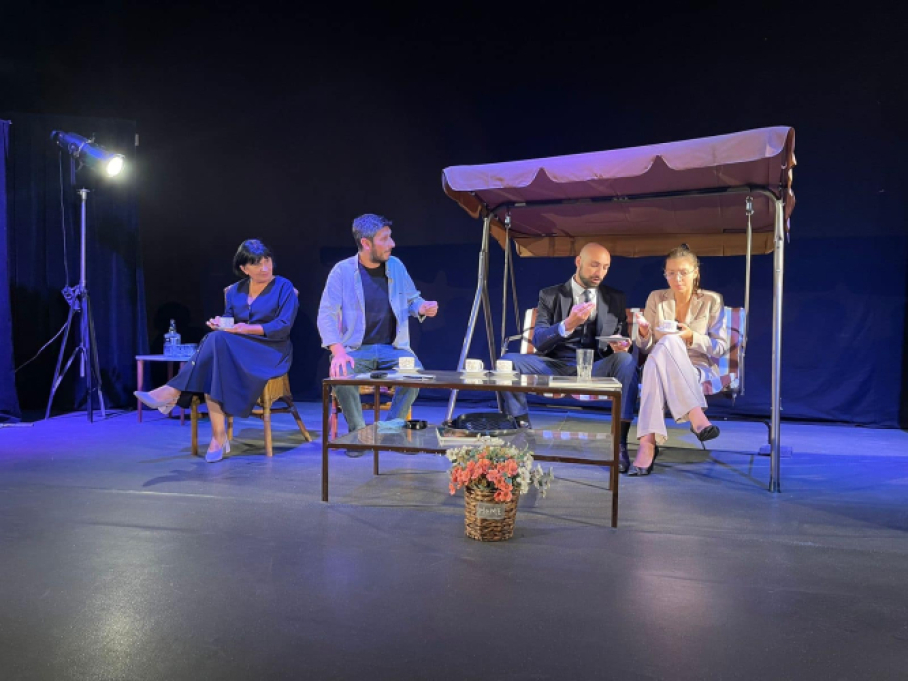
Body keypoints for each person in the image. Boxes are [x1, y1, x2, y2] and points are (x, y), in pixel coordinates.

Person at [134, 239, 298, 463]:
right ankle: (217, 436)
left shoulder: (283, 286)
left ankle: (174, 392)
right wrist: (220, 323)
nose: (265, 268)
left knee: (215, 346)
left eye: (267, 261)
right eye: (257, 264)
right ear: (244, 268)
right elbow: (229, 320)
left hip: (270, 351)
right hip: (237, 350)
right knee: (215, 351)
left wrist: (246, 328)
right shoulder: (235, 291)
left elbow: (283, 326)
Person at [500, 243, 639, 471]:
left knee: (626, 361)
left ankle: (620, 443)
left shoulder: (615, 298)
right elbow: (539, 340)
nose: (600, 273)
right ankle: (523, 431)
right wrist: (568, 324)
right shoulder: (550, 295)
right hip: (553, 365)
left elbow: (620, 337)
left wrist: (621, 344)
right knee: (507, 362)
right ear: (578, 262)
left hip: (595, 367)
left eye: (605, 267)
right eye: (594, 265)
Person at [317, 214, 438, 445]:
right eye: (384, 239)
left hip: (392, 348)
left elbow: (412, 299)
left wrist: (422, 307)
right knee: (340, 373)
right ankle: (359, 435)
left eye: (390, 237)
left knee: (416, 372)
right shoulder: (342, 271)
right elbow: (326, 314)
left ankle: (389, 431)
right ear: (366, 242)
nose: (392, 244)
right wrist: (338, 351)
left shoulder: (396, 266)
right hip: (356, 349)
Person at [629, 244, 725, 476]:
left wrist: (691, 337)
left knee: (664, 349)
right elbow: (645, 346)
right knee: (662, 350)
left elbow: (720, 347)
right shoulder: (656, 298)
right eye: (671, 273)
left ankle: (647, 443)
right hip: (660, 364)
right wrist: (643, 333)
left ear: (695, 272)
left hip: (696, 367)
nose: (677, 278)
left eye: (683, 272)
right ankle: (696, 415)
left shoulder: (711, 300)